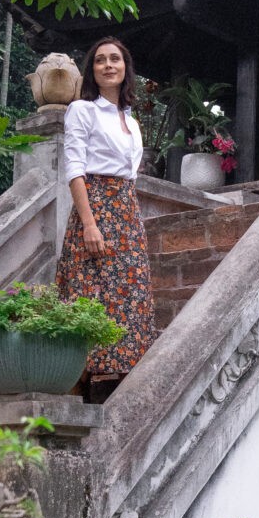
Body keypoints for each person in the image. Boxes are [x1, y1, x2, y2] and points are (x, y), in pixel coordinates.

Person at [56, 36, 157, 400]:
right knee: (89, 291)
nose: (109, 65)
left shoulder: (130, 119)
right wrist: (89, 223)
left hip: (127, 212)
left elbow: (130, 175)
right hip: (97, 207)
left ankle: (117, 382)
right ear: (92, 70)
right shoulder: (82, 110)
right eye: (101, 60)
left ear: (126, 68)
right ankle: (77, 383)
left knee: (130, 294)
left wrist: (127, 216)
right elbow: (75, 170)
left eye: (116, 59)